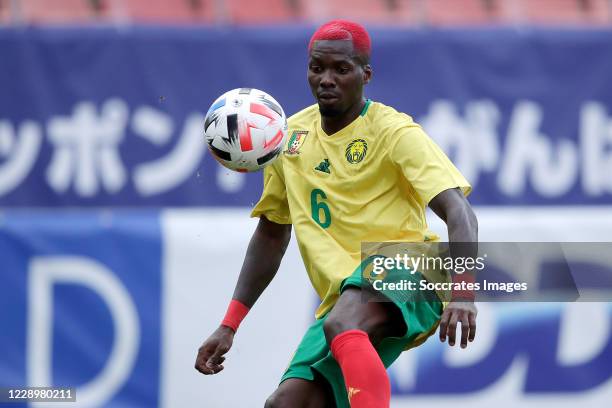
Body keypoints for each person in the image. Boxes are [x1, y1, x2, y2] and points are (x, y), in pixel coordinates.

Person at [195, 19, 478, 408]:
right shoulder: (286, 139)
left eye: (341, 69)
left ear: (366, 74)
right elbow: (272, 235)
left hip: (412, 267)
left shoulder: (395, 132)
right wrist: (229, 324)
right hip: (344, 298)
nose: (326, 79)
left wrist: (464, 291)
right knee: (286, 403)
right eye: (317, 68)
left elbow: (459, 211)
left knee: (342, 322)